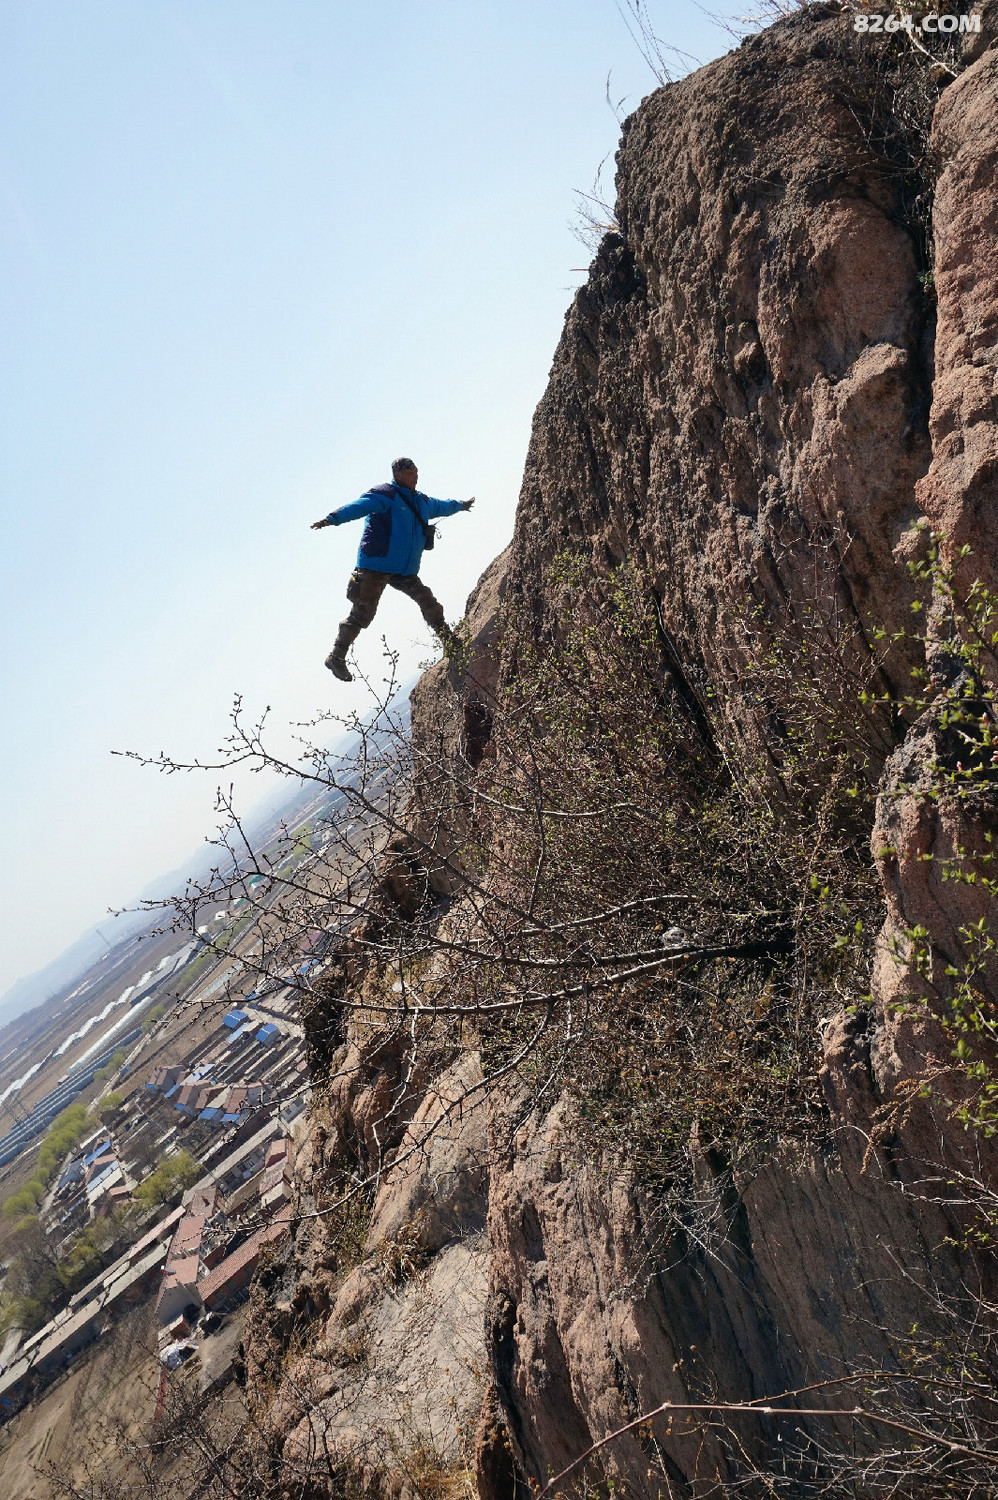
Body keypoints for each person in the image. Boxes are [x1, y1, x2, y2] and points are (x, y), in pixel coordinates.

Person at [311, 458, 475, 681]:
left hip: (403, 569)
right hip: (375, 565)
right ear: (397, 475)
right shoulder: (385, 495)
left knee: (428, 601)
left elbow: (441, 506)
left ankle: (449, 640)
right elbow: (358, 507)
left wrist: (461, 505)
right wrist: (332, 519)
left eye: (416, 472)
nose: (415, 477)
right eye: (409, 473)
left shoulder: (421, 501)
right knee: (362, 613)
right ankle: (336, 657)